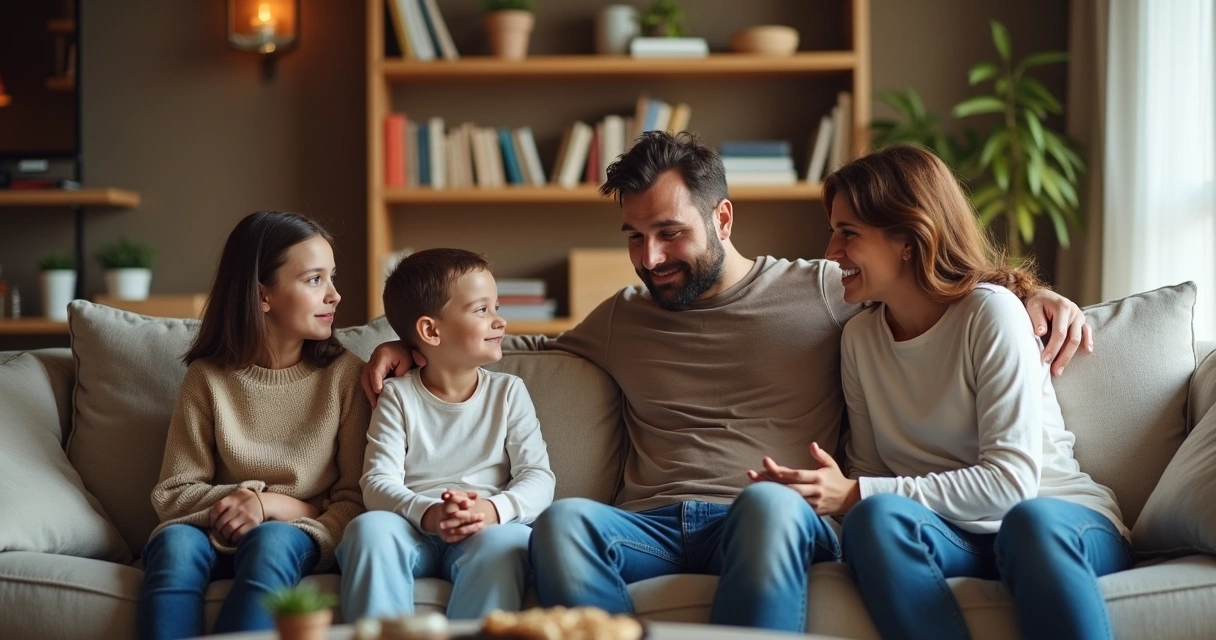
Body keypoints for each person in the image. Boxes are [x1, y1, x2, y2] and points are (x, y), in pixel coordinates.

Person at [360, 132, 1093, 631]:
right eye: (635, 238)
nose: (649, 257)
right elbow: (522, 343)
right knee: (562, 521)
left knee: (771, 506)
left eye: (670, 233)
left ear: (723, 217)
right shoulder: (623, 316)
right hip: (645, 520)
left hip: (760, 511)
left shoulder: (826, 291)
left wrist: (1030, 294)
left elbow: (930, 280)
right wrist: (409, 345)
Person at [751, 144, 1129, 640]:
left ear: (908, 239)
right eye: (832, 232)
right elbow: (873, 476)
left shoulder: (989, 313)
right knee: (875, 520)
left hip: (1058, 524)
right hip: (958, 536)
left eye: (848, 234)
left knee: (1027, 523)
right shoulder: (860, 340)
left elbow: (1012, 483)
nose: (831, 253)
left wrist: (855, 493)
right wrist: (830, 501)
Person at [138, 211, 370, 640]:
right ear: (263, 294)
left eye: (332, 277)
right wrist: (243, 502)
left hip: (295, 533)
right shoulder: (207, 378)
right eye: (315, 280)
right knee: (171, 548)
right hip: (206, 528)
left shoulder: (346, 377)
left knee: (271, 542)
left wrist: (270, 508)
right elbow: (173, 494)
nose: (335, 295)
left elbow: (355, 503)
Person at [337, 248, 555, 621]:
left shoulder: (509, 392)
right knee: (368, 530)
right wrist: (430, 513)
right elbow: (376, 481)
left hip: (484, 528)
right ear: (430, 331)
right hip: (413, 528)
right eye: (482, 310)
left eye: (497, 307)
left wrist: (492, 510)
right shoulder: (397, 395)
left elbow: (538, 476)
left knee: (508, 542)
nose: (499, 320)